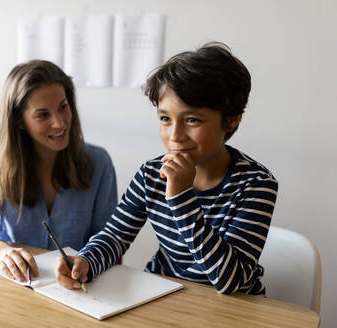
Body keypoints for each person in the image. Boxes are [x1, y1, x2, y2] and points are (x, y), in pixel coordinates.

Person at [54, 42, 278, 295]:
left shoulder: (256, 184)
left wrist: (181, 197)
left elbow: (231, 281)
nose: (175, 135)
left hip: (233, 308)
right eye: (165, 119)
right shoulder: (152, 174)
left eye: (192, 120)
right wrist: (86, 260)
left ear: (232, 119)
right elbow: (115, 236)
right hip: (166, 297)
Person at [0, 60, 117, 283]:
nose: (59, 123)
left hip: (73, 289)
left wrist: (87, 262)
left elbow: (112, 239)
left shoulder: (98, 163)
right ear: (19, 122)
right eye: (43, 115)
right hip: (12, 283)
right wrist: (0, 251)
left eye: (63, 107)